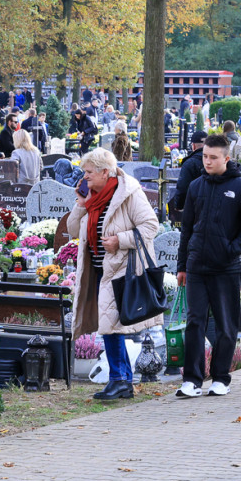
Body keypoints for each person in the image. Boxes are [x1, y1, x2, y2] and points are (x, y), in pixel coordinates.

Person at [67, 148, 159, 401]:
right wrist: (80, 204)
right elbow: (73, 230)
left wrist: (120, 240)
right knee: (111, 326)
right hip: (97, 270)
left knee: (110, 328)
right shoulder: (92, 197)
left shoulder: (128, 194)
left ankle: (119, 380)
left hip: (120, 270)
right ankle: (123, 382)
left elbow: (151, 225)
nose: (84, 177)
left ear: (104, 172)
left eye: (88, 172)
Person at [176, 135, 241, 397]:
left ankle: (221, 378)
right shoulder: (196, 186)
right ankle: (191, 379)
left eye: (213, 157)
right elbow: (186, 228)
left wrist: (230, 249)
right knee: (194, 322)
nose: (207, 161)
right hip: (197, 266)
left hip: (226, 268)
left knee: (226, 325)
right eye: (205, 156)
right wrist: (182, 265)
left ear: (226, 158)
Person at [168, 129, 206, 218]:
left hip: (194, 207)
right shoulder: (216, 161)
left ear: (193, 145)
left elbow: (183, 186)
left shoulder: (190, 163)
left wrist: (179, 205)